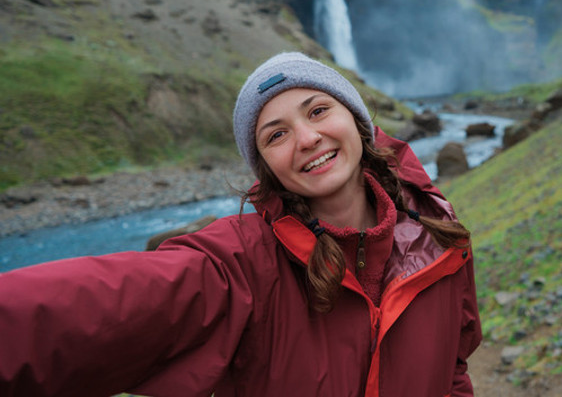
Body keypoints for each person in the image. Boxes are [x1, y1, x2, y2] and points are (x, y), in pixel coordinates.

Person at [0, 52, 482, 397]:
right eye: (276, 135)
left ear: (356, 120)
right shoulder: (240, 266)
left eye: (318, 110)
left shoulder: (439, 239)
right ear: (266, 167)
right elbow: (100, 304)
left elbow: (453, 370)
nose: (307, 138)